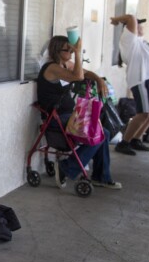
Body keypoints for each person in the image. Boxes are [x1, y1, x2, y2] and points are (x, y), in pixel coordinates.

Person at [37, 35, 121, 190]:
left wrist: (98, 79)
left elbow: (85, 72)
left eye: (71, 49)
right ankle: (68, 167)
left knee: (105, 132)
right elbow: (78, 76)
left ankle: (100, 177)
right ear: (57, 50)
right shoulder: (52, 67)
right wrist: (78, 52)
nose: (70, 52)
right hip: (57, 118)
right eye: (67, 50)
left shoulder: (64, 64)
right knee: (99, 133)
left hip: (68, 115)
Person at [110, 15, 149, 156]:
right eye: (137, 24)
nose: (140, 26)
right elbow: (130, 17)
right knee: (144, 113)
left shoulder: (142, 42)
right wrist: (117, 20)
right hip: (144, 80)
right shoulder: (129, 40)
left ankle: (136, 139)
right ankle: (124, 142)